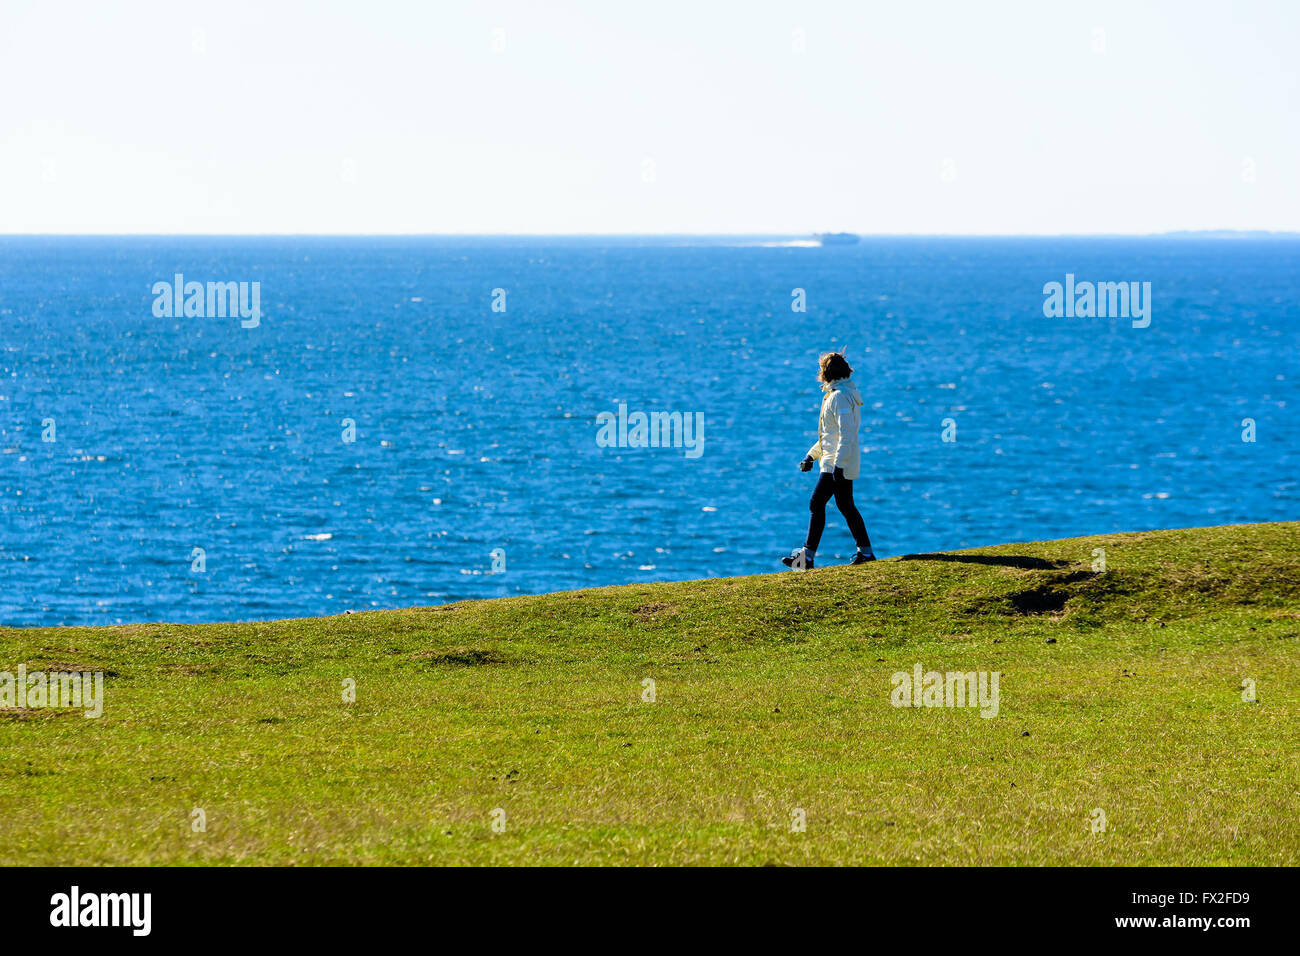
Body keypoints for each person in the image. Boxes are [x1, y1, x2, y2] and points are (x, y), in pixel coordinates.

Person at [782, 351, 875, 570]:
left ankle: (806, 558)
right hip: (838, 461)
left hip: (835, 463)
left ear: (826, 372)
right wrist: (811, 455)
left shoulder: (838, 397)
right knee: (845, 506)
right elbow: (831, 435)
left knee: (817, 503)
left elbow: (846, 434)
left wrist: (839, 465)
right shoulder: (842, 394)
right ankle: (866, 552)